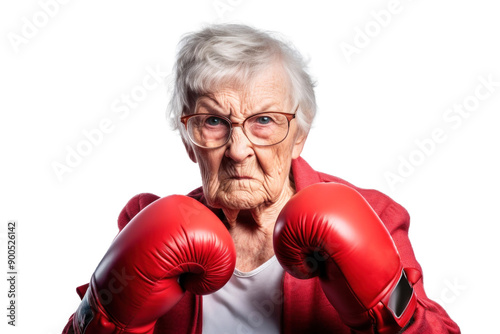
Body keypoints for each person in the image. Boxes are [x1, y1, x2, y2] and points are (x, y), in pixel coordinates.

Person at [62, 24, 460, 333]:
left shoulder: (373, 214)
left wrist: (386, 304)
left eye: (264, 120)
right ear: (188, 141)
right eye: (213, 121)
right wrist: (109, 314)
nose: (238, 149)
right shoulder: (146, 221)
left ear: (299, 136)